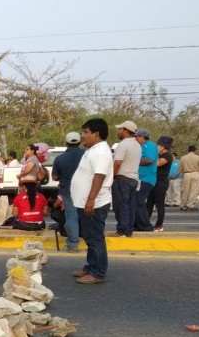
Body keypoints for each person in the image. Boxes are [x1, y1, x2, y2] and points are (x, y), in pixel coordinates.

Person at [70, 118, 114, 284]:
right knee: (90, 237)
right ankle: (90, 267)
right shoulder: (93, 150)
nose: (83, 136)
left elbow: (99, 175)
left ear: (97, 134)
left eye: (86, 132)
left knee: (95, 238)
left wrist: (91, 200)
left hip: (94, 203)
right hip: (85, 202)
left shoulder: (101, 151)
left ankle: (97, 273)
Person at [51, 131, 84, 252]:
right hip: (85, 190)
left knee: (71, 217)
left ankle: (73, 244)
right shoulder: (86, 155)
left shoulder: (60, 158)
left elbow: (54, 177)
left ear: (66, 143)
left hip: (68, 190)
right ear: (80, 142)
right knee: (87, 215)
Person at [111, 120, 140, 237]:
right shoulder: (137, 144)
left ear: (126, 131)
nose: (118, 131)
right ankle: (128, 230)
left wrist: (112, 176)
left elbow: (117, 163)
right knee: (130, 207)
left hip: (123, 178)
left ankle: (121, 230)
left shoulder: (123, 144)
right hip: (134, 178)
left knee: (120, 206)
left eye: (120, 129)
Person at [147, 136, 174, 232]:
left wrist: (151, 158)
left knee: (159, 204)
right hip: (154, 181)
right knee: (149, 203)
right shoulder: (159, 155)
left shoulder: (167, 156)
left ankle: (159, 224)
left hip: (161, 182)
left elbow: (157, 164)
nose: (157, 146)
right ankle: (146, 223)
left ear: (164, 146)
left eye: (159, 145)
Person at [132, 129, 157, 232]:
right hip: (138, 178)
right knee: (135, 201)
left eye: (137, 137)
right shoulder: (139, 147)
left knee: (139, 201)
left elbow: (150, 160)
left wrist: (134, 161)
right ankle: (137, 224)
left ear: (142, 137)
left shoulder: (150, 146)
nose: (135, 139)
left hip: (147, 178)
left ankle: (146, 226)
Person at [178, 145, 199, 211]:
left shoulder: (183, 157)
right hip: (195, 173)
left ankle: (183, 205)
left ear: (188, 150)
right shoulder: (198, 157)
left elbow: (180, 168)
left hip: (186, 174)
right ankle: (190, 205)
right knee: (194, 190)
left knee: (185, 190)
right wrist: (197, 169)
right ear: (195, 150)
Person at [16, 143, 42, 210]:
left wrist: (20, 175)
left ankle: (31, 212)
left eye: (27, 149)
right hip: (25, 182)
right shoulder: (28, 159)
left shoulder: (33, 159)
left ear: (32, 151)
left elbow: (28, 170)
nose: (25, 151)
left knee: (30, 199)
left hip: (30, 182)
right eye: (25, 149)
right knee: (25, 199)